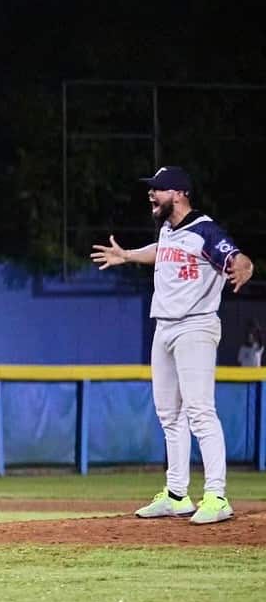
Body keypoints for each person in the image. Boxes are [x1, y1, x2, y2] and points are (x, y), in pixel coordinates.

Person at [92, 166, 255, 525]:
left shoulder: (204, 230)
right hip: (164, 326)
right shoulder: (169, 230)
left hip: (195, 326)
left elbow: (235, 256)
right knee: (169, 414)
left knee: (199, 410)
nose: (151, 194)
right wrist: (129, 255)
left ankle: (217, 495)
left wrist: (246, 266)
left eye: (159, 189)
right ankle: (177, 494)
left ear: (179, 193)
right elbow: (163, 249)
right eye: (151, 189)